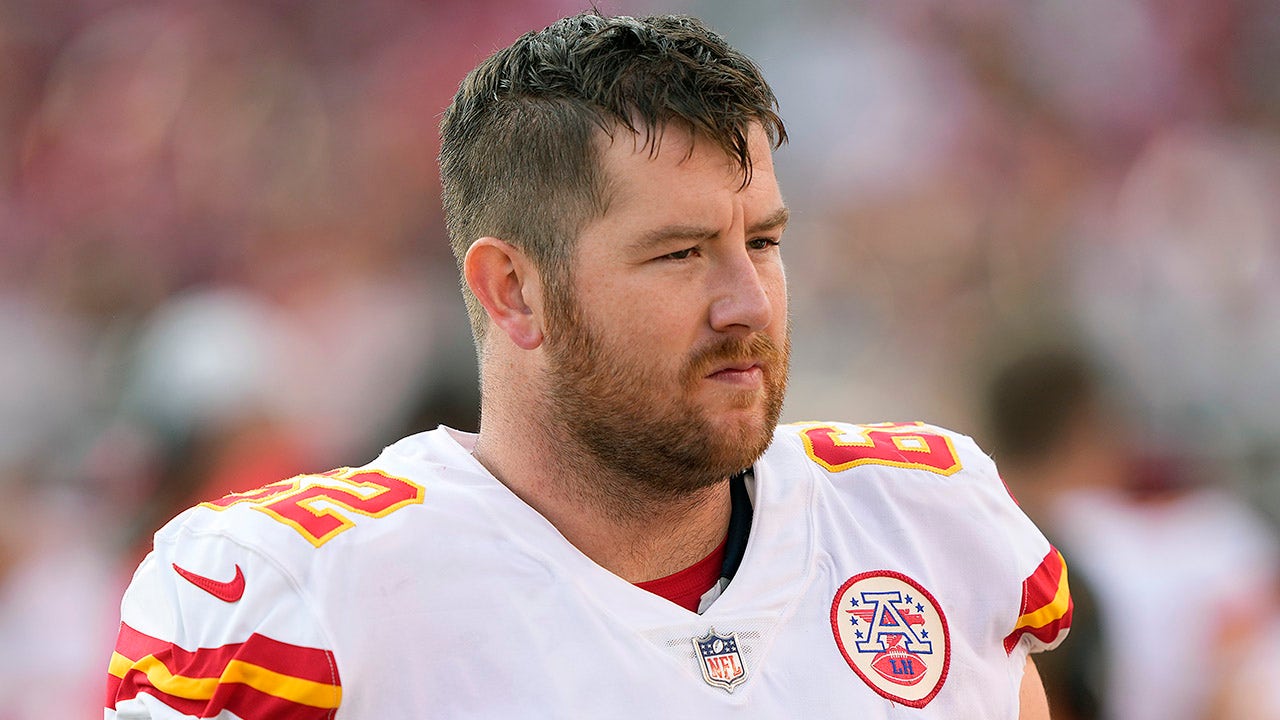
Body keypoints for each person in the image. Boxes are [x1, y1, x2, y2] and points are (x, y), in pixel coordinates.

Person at [104, 13, 1071, 718]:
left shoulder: (923, 523)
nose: (747, 302)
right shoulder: (299, 597)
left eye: (763, 242)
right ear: (513, 292)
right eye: (680, 253)